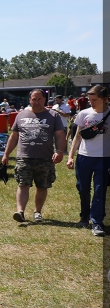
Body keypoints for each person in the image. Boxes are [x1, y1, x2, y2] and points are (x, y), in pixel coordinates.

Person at [1, 89, 68, 223]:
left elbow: (60, 135)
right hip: (24, 157)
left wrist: (60, 152)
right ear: (29, 100)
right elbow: (14, 137)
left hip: (45, 157)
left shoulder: (53, 115)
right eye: (34, 99)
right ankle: (20, 211)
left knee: (42, 186)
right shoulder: (21, 115)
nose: (36, 102)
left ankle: (37, 212)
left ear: (44, 99)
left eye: (39, 99)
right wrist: (6, 154)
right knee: (23, 184)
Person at [66, 86, 109, 235]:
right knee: (83, 188)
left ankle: (97, 222)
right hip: (84, 157)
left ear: (105, 99)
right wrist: (71, 156)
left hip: (104, 159)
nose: (91, 103)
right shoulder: (84, 114)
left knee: (99, 190)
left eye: (94, 100)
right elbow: (77, 136)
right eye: (90, 100)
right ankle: (84, 216)